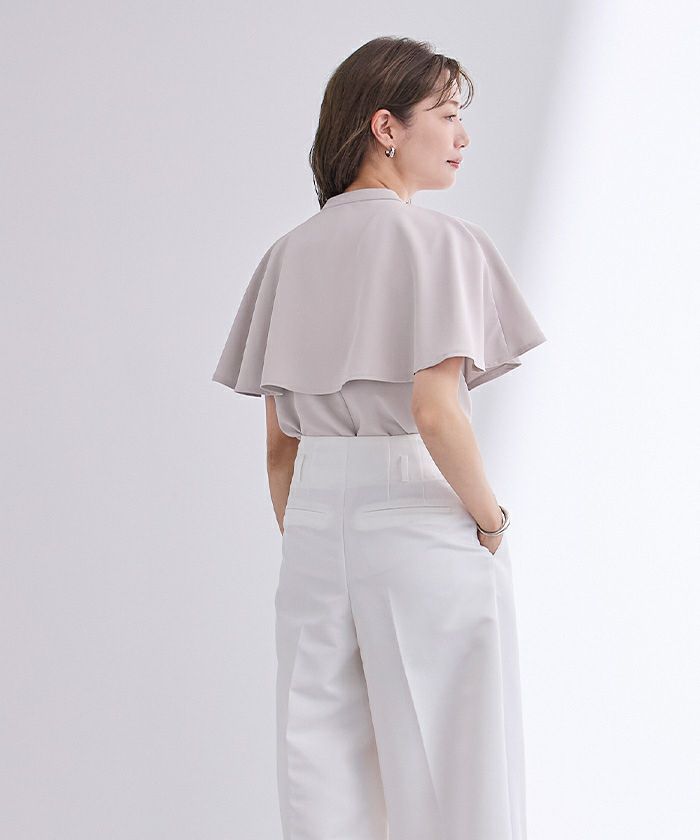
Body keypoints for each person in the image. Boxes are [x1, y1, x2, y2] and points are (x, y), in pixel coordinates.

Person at [212, 35, 546, 840]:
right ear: (386, 127)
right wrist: (492, 521)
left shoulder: (287, 255)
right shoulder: (440, 242)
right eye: (447, 115)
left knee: (321, 774)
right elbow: (435, 410)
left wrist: (318, 526)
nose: (462, 136)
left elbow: (280, 446)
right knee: (455, 774)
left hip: (314, 523)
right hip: (418, 518)